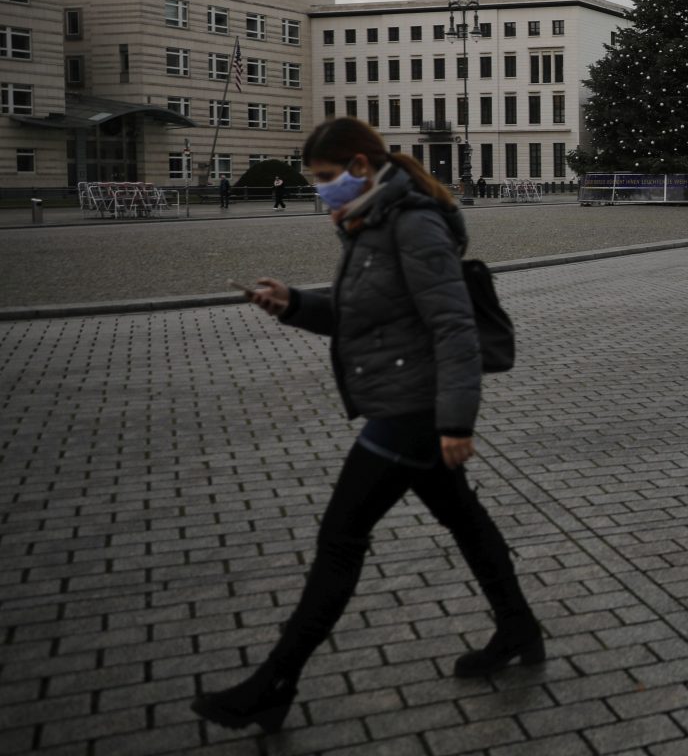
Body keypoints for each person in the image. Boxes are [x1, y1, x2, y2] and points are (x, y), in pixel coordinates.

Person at [190, 117, 542, 735]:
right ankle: (518, 628)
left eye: (324, 178)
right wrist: (294, 304)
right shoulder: (371, 223)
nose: (319, 190)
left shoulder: (412, 224)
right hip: (407, 405)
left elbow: (454, 327)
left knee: (340, 540)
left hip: (411, 412)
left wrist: (457, 421)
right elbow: (367, 318)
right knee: (464, 520)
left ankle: (273, 682)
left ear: (358, 166)